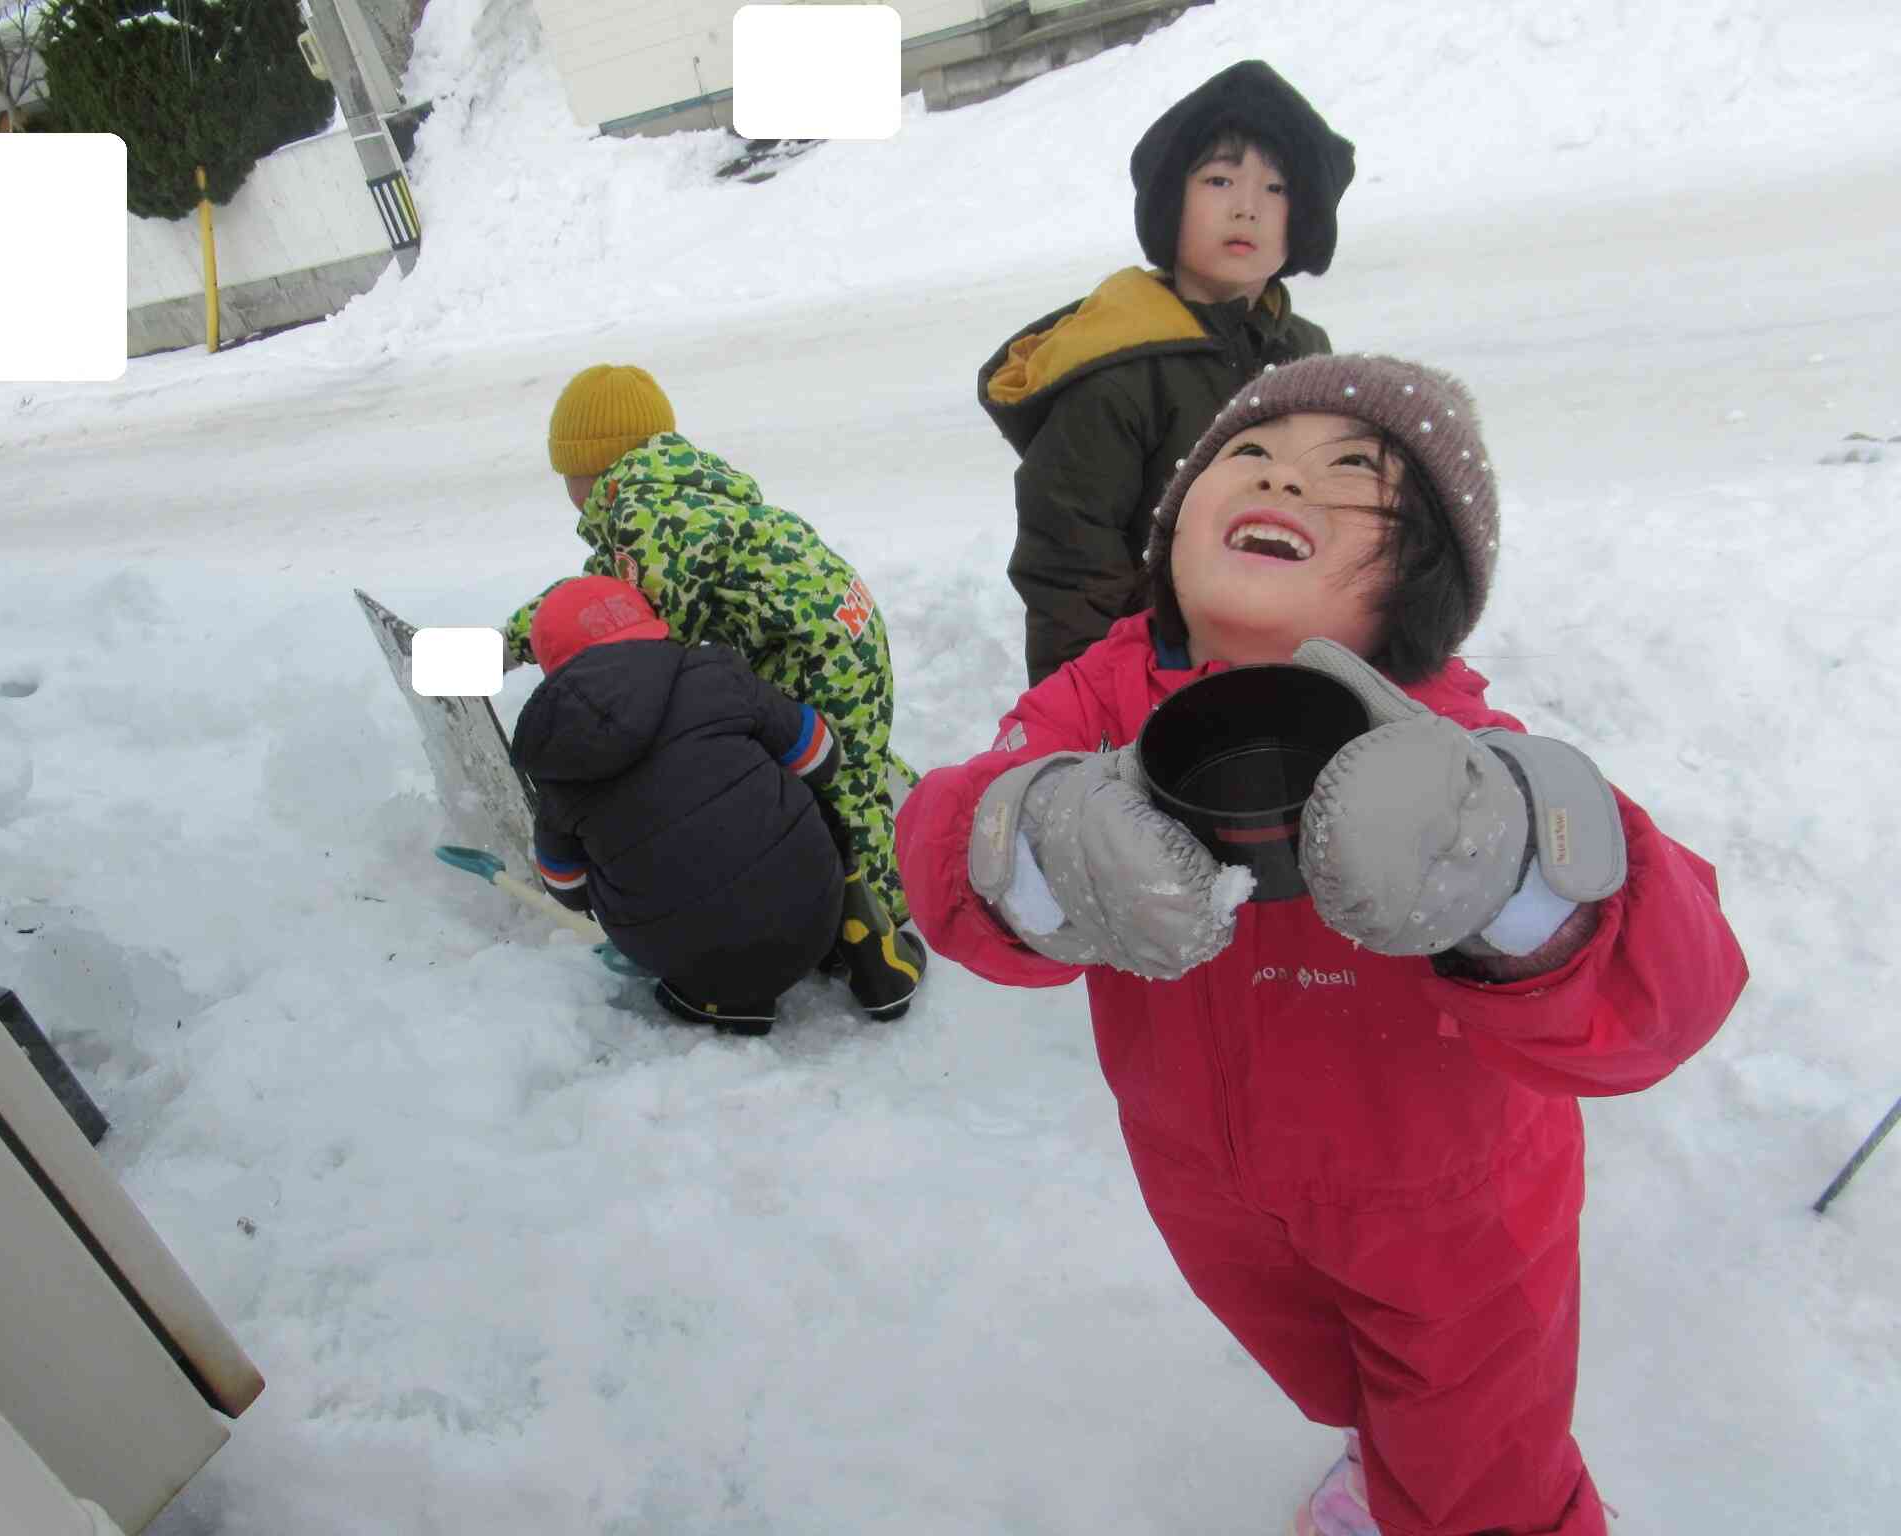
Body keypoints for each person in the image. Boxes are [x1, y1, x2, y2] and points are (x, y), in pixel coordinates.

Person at [897, 355, 1749, 1536]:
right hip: (1208, 1186)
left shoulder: (1457, 751)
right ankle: (1380, 1456)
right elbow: (950, 839)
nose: (1285, 479)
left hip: (1452, 1216)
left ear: (1416, 580)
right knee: (1332, 1378)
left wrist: (1510, 875)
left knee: (1476, 1468)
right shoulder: (1094, 708)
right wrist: (1036, 837)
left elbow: (1667, 1000)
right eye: (1246, 457)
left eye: (1351, 476)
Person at [503, 364, 925, 1019]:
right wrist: (511, 640)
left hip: (817, 651)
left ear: (589, 467)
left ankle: (879, 932)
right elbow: (598, 596)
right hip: (837, 626)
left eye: (566, 472)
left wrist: (511, 651)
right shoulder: (667, 492)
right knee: (846, 757)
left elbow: (636, 625)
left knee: (836, 787)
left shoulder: (651, 516)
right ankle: (917, 818)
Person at [978, 59, 1353, 686]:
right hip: (1155, 676)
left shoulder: (1305, 355)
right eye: (1218, 181)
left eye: (1276, 189)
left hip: (1286, 659)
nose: (1246, 209)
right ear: (1169, 205)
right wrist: (1088, 714)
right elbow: (1070, 566)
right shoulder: (1118, 370)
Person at [509, 576, 847, 1034]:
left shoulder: (557, 756)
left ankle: (718, 1001)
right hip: (816, 916)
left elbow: (567, 888)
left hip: (689, 960)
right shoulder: (713, 674)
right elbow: (820, 756)